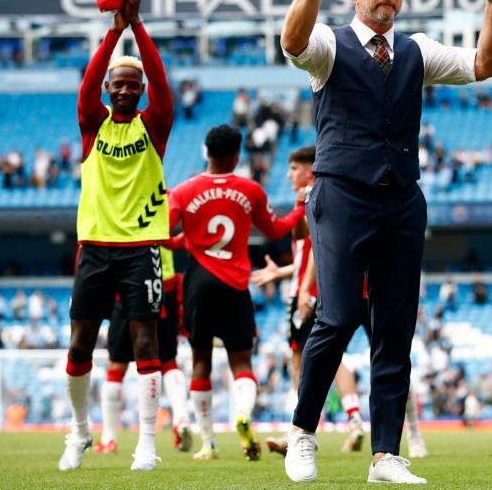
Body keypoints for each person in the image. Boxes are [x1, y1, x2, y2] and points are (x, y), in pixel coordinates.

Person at [278, 0, 492, 484]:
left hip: (402, 200)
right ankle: (302, 434)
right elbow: (290, 40)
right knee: (334, 317)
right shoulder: (329, 47)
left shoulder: (416, 50)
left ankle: (386, 454)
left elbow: (486, 65)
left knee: (394, 329)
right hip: (340, 195)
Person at [59, 0, 174, 472]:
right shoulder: (93, 124)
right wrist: (113, 31)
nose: (126, 91)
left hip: (142, 247)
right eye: (118, 85)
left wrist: (138, 26)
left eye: (133, 85)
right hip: (94, 248)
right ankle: (80, 432)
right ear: (109, 89)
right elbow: (86, 87)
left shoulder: (155, 125)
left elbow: (163, 86)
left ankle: (146, 442)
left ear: (140, 91)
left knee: (146, 342)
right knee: (81, 342)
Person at [168, 124, 305, 462]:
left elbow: (163, 229)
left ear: (206, 152)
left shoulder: (184, 191)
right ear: (235, 155)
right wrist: (300, 209)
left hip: (198, 282)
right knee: (241, 362)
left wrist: (181, 240)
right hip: (234, 282)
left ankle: (208, 443)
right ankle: (242, 415)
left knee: (200, 361)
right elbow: (275, 228)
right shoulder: (251, 190)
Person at [250, 146, 370, 456]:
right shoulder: (331, 194)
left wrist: (304, 288)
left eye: (293, 168)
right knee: (329, 357)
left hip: (309, 292)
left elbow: (319, 249)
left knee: (302, 362)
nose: (289, 174)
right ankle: (352, 420)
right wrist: (284, 271)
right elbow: (308, 250)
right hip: (322, 286)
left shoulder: (310, 196)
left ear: (308, 169)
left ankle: (299, 431)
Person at [95, 246, 192, 456]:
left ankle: (109, 438)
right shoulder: (163, 212)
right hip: (165, 287)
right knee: (168, 361)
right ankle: (181, 417)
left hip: (131, 285)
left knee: (116, 366)